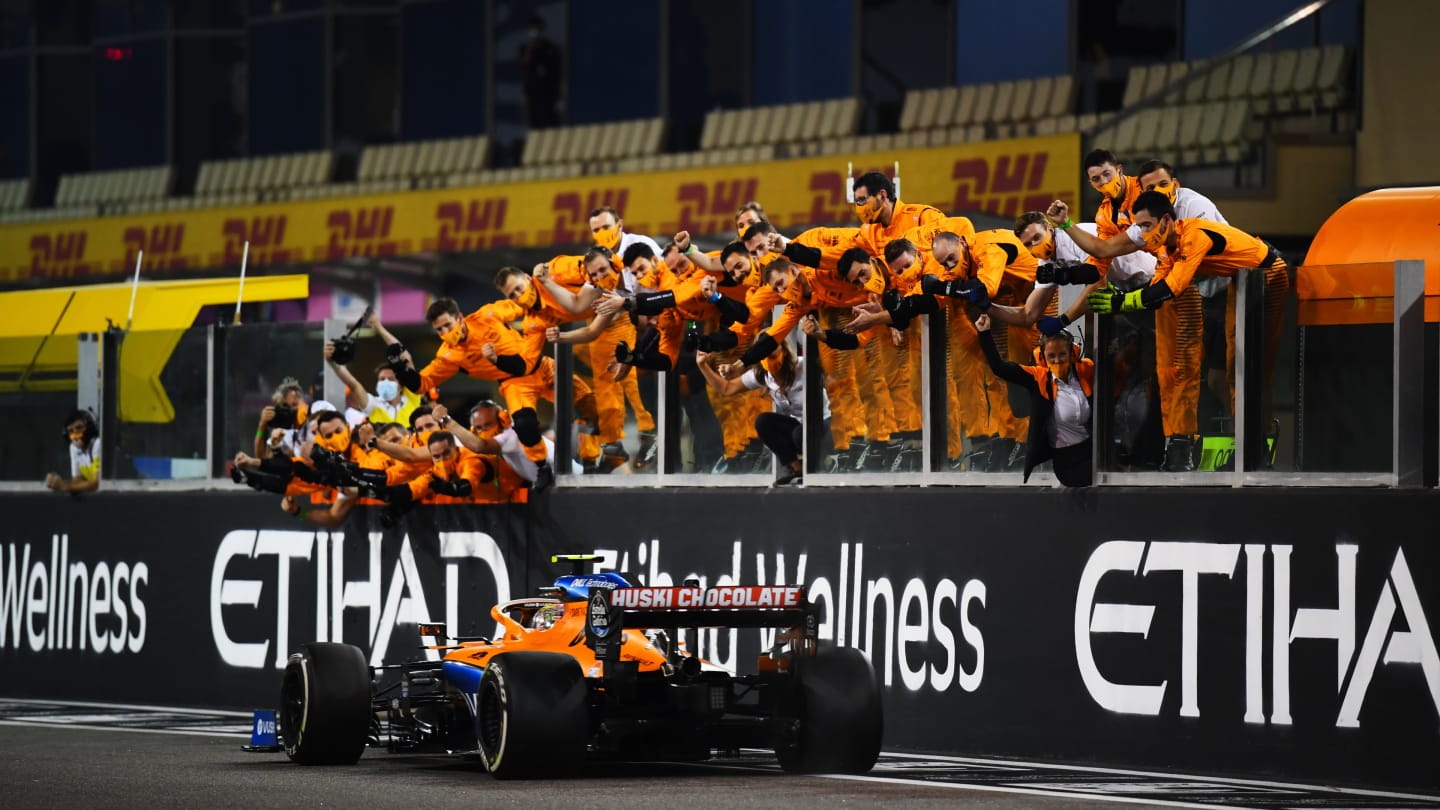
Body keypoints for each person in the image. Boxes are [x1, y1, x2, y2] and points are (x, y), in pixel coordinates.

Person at [1082, 191, 1291, 446]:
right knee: (1234, 364)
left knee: (1252, 365)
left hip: (1269, 275)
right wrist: (1125, 300)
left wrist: (1124, 301)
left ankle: (1261, 440)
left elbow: (1174, 286)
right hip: (1244, 281)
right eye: (1139, 227)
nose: (1144, 233)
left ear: (1168, 221)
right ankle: (1245, 442)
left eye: (1147, 225)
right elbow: (1156, 290)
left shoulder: (1194, 235)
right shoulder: (1165, 250)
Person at [975, 313, 1094, 487]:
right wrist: (984, 334)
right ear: (1042, 358)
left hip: (1091, 452)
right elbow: (999, 368)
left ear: (1073, 353)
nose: (1057, 360)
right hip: (1067, 461)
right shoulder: (1039, 378)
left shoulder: (1085, 370)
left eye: (1062, 354)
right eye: (1051, 356)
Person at [696, 340, 827, 486]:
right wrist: (703, 366)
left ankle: (823, 468)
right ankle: (797, 470)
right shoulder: (763, 375)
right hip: (801, 428)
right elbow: (727, 389)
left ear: (783, 348)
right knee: (764, 422)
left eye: (772, 346)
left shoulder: (803, 366)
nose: (768, 351)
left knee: (799, 434)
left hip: (825, 423)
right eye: (763, 348)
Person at [520, 15, 562, 129]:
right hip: (532, 96)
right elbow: (524, 64)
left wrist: (559, 97)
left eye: (538, 29)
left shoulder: (551, 48)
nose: (535, 32)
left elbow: (557, 74)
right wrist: (530, 48)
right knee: (534, 126)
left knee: (551, 124)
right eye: (533, 30)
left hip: (549, 95)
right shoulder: (525, 48)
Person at [45, 409, 100, 494]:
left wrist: (64, 486)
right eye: (71, 431)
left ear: (89, 427)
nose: (75, 435)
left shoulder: (97, 443)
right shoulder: (73, 447)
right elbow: (77, 480)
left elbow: (96, 483)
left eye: (79, 428)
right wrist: (57, 482)